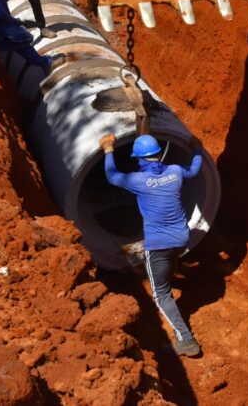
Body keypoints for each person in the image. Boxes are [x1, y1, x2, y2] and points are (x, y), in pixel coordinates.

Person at [98, 132, 204, 357]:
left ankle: (186, 341)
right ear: (159, 154)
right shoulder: (175, 172)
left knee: (160, 294)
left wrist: (108, 149)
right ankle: (167, 276)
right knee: (169, 263)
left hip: (158, 244)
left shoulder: (139, 181)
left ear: (139, 159)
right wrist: (196, 149)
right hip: (181, 239)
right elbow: (194, 170)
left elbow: (111, 176)